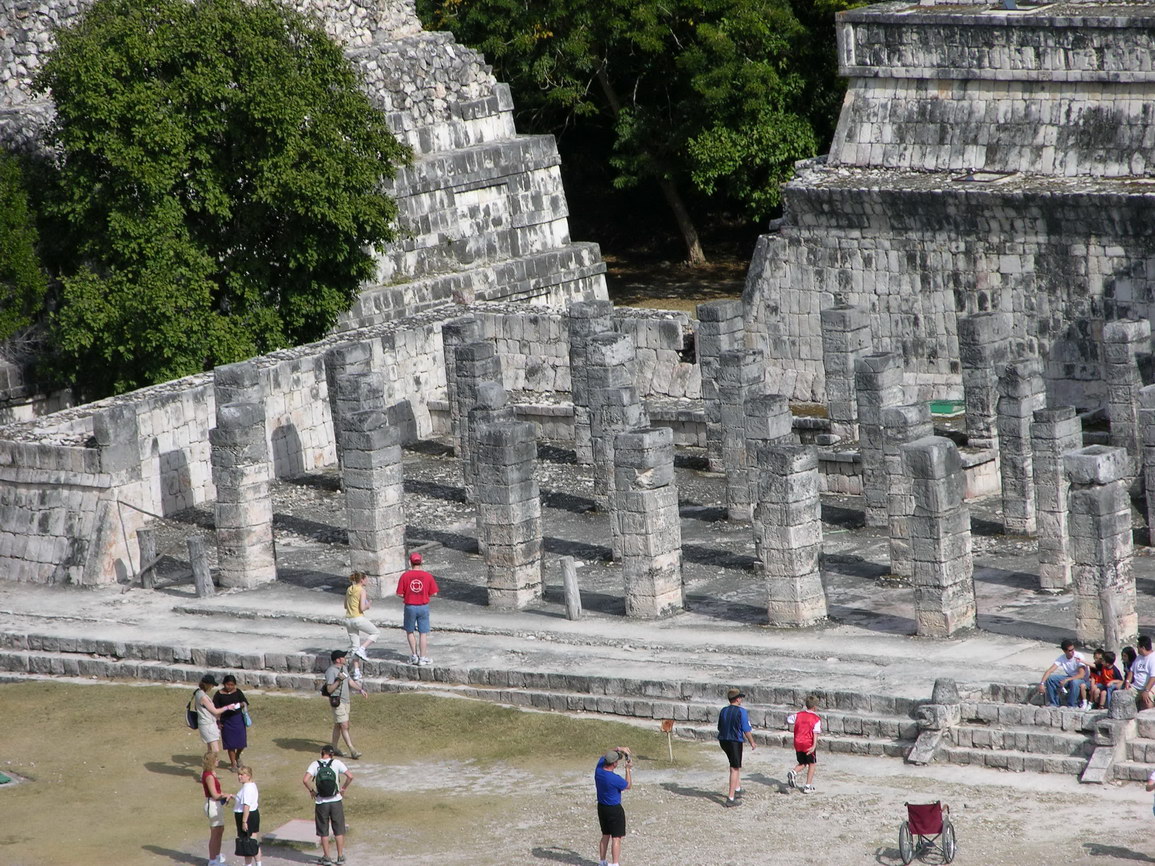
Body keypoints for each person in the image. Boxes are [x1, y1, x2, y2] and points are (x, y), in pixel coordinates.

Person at [303, 744, 354, 866]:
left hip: (321, 802)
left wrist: (312, 791)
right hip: (336, 800)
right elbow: (350, 776)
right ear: (332, 754)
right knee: (339, 830)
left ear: (322, 752)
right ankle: (340, 856)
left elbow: (305, 780)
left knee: (323, 830)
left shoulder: (315, 764)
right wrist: (343, 788)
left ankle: (327, 857)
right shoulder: (337, 763)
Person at [396, 552, 439, 666]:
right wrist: (424, 595)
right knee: (423, 633)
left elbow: (399, 593)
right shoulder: (428, 576)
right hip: (423, 606)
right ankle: (423, 657)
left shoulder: (405, 576)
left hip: (410, 606)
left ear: (410, 562)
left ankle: (414, 656)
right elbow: (434, 593)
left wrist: (408, 596)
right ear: (421, 562)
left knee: (410, 631)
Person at [324, 650, 367, 759]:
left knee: (338, 725)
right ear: (338, 660)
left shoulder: (344, 668)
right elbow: (329, 689)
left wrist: (360, 689)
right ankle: (352, 750)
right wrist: (338, 680)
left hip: (346, 701)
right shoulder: (331, 671)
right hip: (337, 702)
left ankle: (334, 748)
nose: (345, 658)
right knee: (344, 725)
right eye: (343, 657)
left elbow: (350, 681)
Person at [717, 687, 755, 807]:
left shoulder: (723, 710)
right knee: (735, 768)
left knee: (734, 763)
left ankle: (737, 788)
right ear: (737, 699)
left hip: (723, 740)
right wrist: (752, 742)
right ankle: (731, 797)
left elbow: (719, 726)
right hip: (734, 741)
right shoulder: (741, 711)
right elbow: (746, 729)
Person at [594, 746, 632, 866]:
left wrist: (619, 748)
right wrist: (628, 770)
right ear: (614, 764)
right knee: (616, 838)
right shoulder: (614, 779)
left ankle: (602, 861)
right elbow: (628, 785)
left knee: (605, 835)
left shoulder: (599, 770)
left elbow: (606, 754)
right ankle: (615, 863)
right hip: (614, 809)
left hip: (602, 807)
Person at [194, 674, 241, 762]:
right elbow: (215, 711)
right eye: (211, 685)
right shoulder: (203, 697)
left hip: (205, 723)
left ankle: (209, 767)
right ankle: (210, 765)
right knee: (215, 750)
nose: (212, 687)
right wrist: (227, 707)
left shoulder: (198, 693)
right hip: (207, 724)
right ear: (207, 685)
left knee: (210, 749)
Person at [1037, 639, 1089, 708]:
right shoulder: (1062, 658)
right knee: (1050, 679)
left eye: (1073, 649)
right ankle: (1054, 703)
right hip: (1070, 678)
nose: (1073, 651)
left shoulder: (1079, 656)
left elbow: (1081, 675)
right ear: (1065, 651)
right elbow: (1050, 670)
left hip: (1081, 680)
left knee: (1074, 682)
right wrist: (1042, 683)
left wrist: (1067, 680)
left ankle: (1072, 705)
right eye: (1070, 650)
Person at [786, 695, 823, 793]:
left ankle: (793, 772)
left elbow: (789, 719)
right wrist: (814, 745)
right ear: (815, 707)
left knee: (803, 762)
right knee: (812, 763)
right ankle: (808, 786)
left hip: (798, 742)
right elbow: (815, 733)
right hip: (808, 743)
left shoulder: (798, 715)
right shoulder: (816, 719)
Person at [214, 674, 249, 772]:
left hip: (238, 719)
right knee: (231, 744)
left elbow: (245, 702)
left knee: (241, 743)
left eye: (232, 685)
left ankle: (237, 756)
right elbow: (216, 709)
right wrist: (218, 721)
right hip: (226, 721)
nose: (230, 687)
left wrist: (239, 705)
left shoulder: (238, 692)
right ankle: (233, 763)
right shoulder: (218, 694)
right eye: (228, 685)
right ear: (224, 684)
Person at [201, 751, 231, 866]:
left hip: (215, 804)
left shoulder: (210, 774)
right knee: (215, 832)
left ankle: (217, 856)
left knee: (220, 830)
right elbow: (215, 795)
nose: (218, 761)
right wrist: (226, 795)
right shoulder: (209, 776)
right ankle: (212, 860)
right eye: (216, 759)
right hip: (213, 804)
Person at [344, 571, 379, 663]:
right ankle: (362, 648)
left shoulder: (349, 589)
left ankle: (356, 670)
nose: (367, 581)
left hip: (348, 619)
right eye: (366, 579)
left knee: (354, 646)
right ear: (362, 580)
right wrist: (368, 605)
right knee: (375, 633)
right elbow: (362, 608)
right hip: (358, 618)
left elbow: (345, 605)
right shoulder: (362, 590)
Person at [232, 765, 261, 866]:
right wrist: (233, 796)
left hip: (247, 816)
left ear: (248, 776)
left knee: (247, 842)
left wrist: (244, 821)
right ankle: (258, 864)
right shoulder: (251, 785)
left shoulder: (247, 788)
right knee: (253, 841)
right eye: (238, 774)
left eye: (242, 774)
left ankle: (248, 865)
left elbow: (246, 806)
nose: (239, 776)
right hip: (252, 814)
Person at [1126, 635, 1155, 710]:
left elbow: (1153, 677)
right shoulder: (1139, 657)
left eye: (1138, 647)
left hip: (1149, 687)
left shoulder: (1153, 659)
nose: (1137, 649)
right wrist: (1127, 682)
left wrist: (1146, 690)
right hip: (1136, 687)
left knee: (1147, 700)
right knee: (1124, 697)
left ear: (1143, 648)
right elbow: (1131, 671)